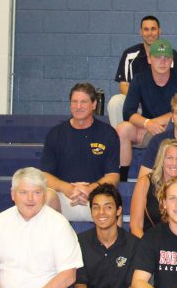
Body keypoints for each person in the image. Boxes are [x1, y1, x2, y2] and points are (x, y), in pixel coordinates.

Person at [41, 83, 121, 221]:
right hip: (64, 197)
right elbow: (45, 175)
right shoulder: (55, 134)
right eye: (74, 102)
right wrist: (67, 188)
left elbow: (113, 176)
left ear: (94, 104)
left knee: (112, 203)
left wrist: (90, 189)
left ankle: (116, 243)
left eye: (83, 102)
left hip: (95, 197)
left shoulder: (108, 134)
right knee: (46, 197)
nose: (78, 106)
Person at [117, 38, 177, 176]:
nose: (162, 61)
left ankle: (159, 177)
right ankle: (122, 177)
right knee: (122, 129)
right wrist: (146, 123)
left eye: (166, 58)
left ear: (171, 61)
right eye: (158, 57)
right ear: (149, 59)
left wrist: (152, 123)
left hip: (170, 128)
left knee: (174, 126)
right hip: (145, 128)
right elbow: (128, 112)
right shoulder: (139, 79)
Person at [108, 15, 177, 127]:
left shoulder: (171, 54)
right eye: (146, 29)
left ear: (159, 31)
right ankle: (119, 139)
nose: (150, 33)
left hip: (164, 104)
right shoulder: (130, 54)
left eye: (153, 29)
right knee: (115, 101)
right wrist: (141, 99)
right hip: (138, 104)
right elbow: (123, 85)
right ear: (140, 32)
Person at [129, 139, 177, 238]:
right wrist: (148, 248)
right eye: (169, 158)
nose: (174, 163)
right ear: (161, 160)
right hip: (150, 246)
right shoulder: (145, 182)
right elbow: (135, 226)